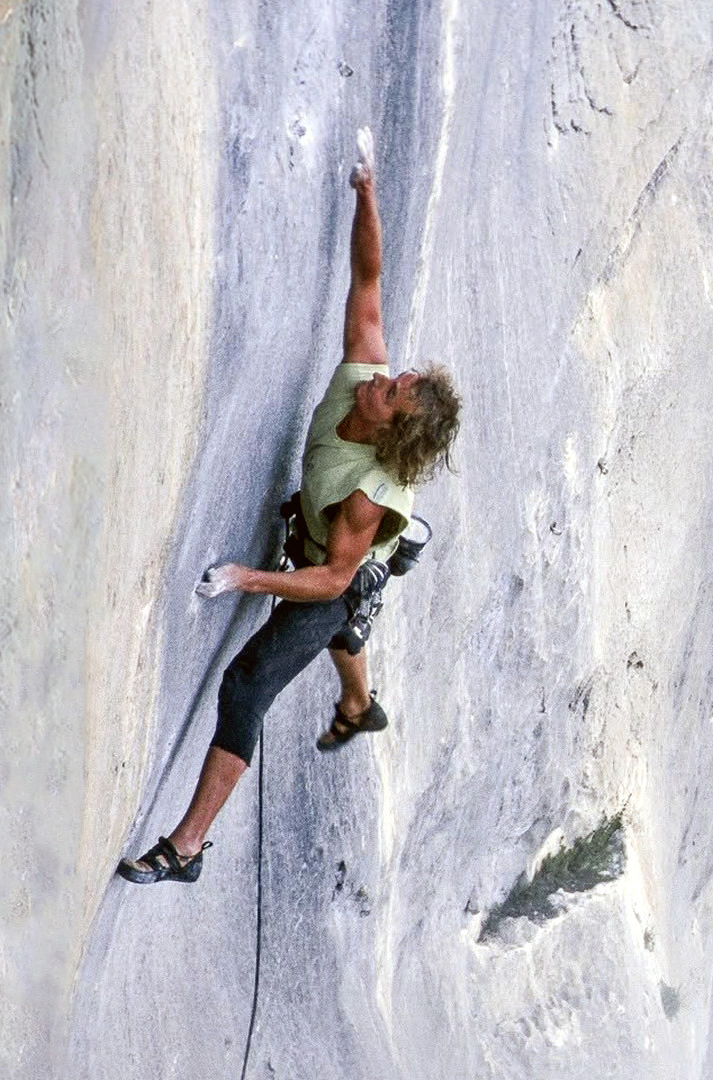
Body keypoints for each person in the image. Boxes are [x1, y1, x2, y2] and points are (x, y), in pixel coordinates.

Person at [119, 128, 461, 885]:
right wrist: (367, 192)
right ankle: (360, 701)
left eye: (394, 389)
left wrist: (246, 579)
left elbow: (329, 581)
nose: (386, 376)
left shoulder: (370, 493)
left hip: (329, 576)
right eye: (396, 378)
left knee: (251, 682)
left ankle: (187, 848)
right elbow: (368, 278)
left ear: (392, 425)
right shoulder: (361, 381)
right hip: (331, 546)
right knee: (349, 599)